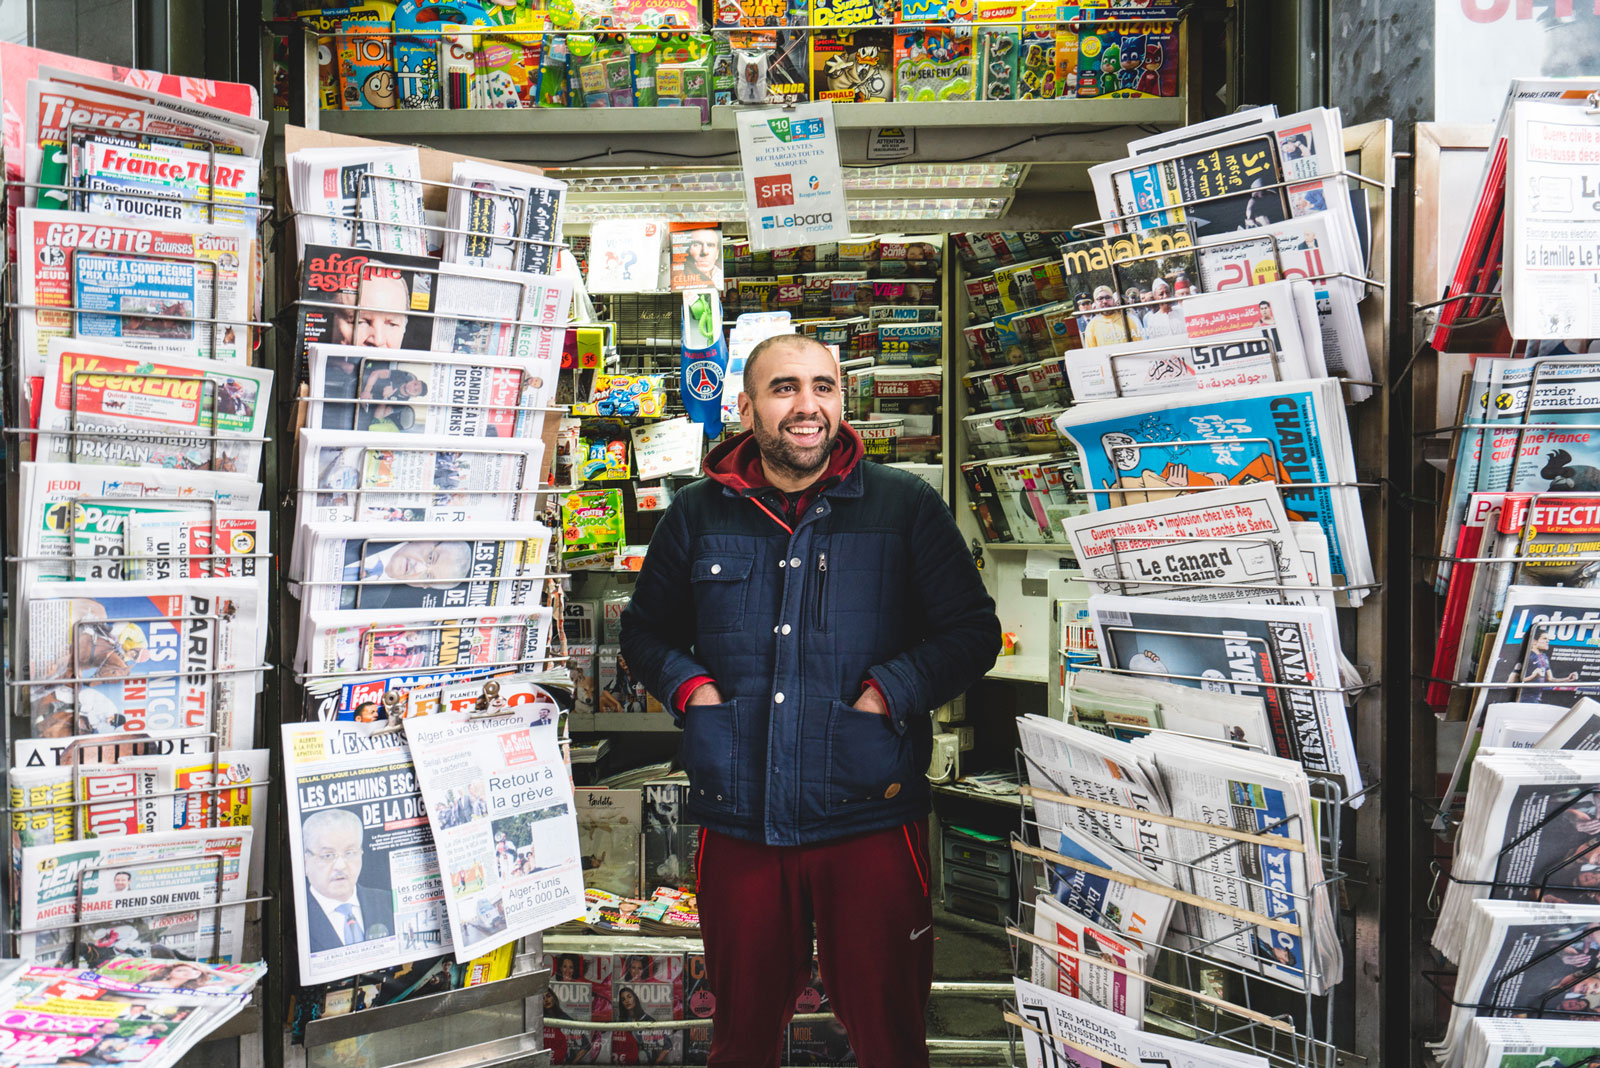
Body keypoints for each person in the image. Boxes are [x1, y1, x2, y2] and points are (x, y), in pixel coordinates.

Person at [620, 334, 1000, 1068]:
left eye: (823, 388)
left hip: (869, 812)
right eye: (785, 388)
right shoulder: (696, 515)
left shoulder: (905, 507)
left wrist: (886, 693)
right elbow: (644, 633)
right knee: (740, 1037)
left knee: (891, 1036)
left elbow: (970, 634)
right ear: (747, 406)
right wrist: (692, 690)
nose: (808, 407)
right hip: (741, 817)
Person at [301, 808, 395, 953]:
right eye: (328, 855)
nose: (340, 866)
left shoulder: (389, 903)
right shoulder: (298, 917)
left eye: (350, 853)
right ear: (306, 862)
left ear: (361, 855)